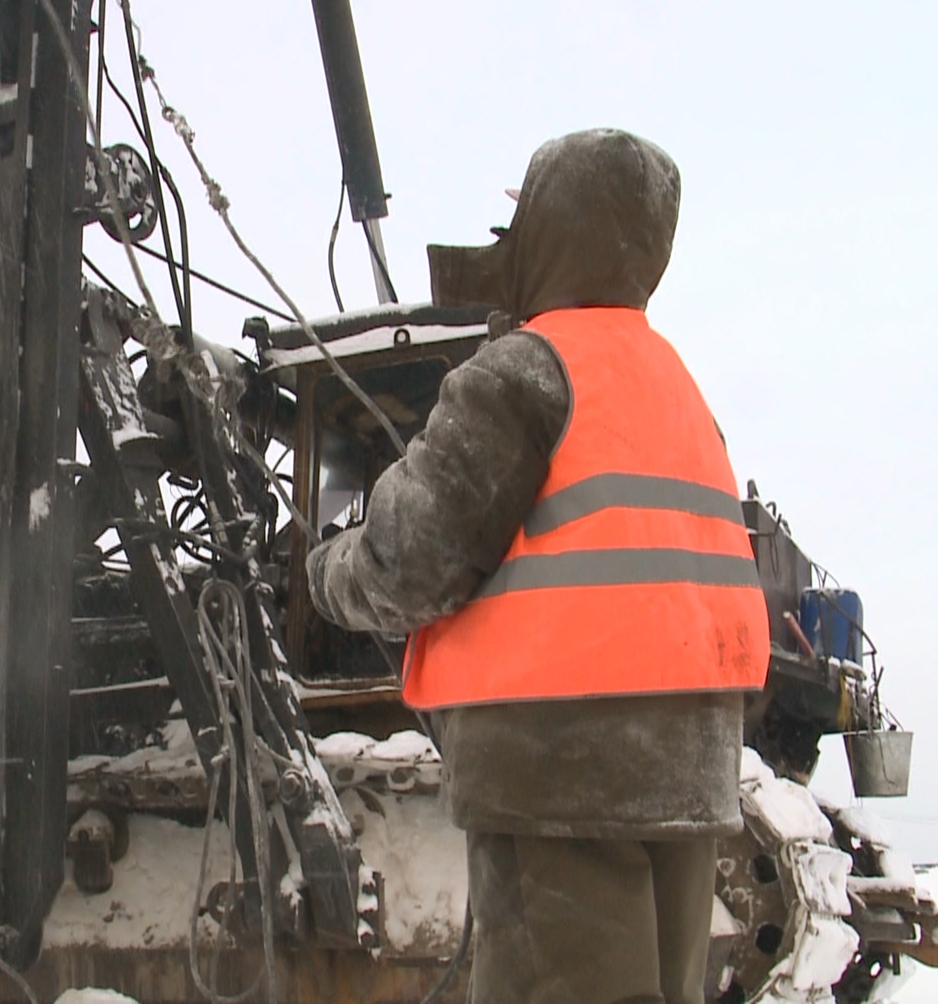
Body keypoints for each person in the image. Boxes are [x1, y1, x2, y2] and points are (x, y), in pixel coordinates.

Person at [306, 129, 770, 1004]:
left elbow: (410, 560)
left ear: (556, 230)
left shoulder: (527, 369)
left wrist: (324, 571)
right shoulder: (673, 383)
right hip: (689, 763)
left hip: (562, 764)